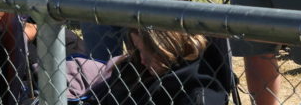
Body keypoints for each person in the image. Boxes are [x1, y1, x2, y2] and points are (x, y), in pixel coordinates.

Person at [78, 26, 229, 105]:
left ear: (167, 47)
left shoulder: (198, 92)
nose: (143, 60)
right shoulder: (133, 68)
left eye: (148, 52)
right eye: (138, 50)